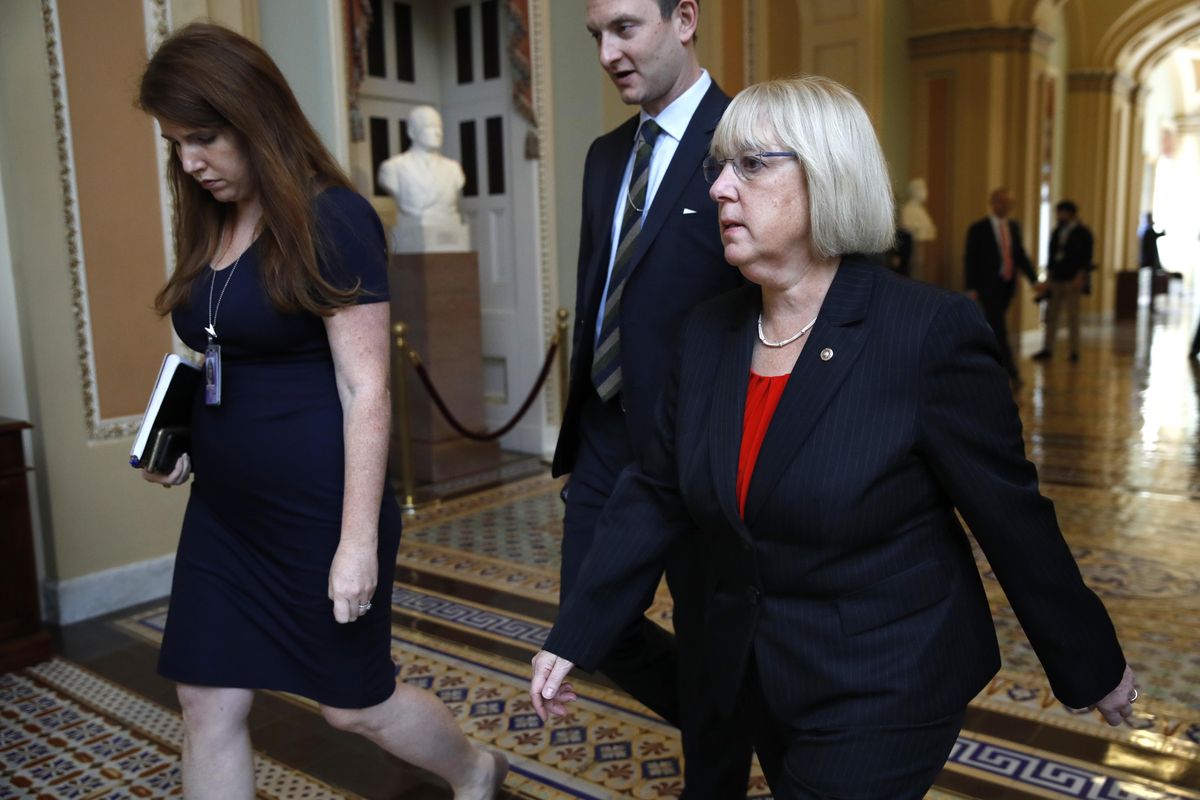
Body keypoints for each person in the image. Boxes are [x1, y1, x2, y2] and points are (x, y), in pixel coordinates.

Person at [530, 76, 1138, 799]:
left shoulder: (924, 334)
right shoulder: (707, 333)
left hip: (887, 678)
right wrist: (579, 630)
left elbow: (1010, 515)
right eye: (718, 167)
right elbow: (656, 490)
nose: (721, 188)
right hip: (761, 671)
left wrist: (1091, 662)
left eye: (752, 165)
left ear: (827, 176)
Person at [136, 24, 505, 799]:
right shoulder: (211, 216)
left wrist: (356, 544)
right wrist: (185, 439)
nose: (189, 161)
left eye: (203, 138)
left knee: (353, 706)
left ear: (255, 117)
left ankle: (473, 770)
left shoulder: (331, 217)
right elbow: (218, 351)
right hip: (224, 515)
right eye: (175, 143)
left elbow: (365, 388)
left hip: (319, 512)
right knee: (205, 698)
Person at [552, 0, 751, 794]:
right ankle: (733, 722)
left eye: (626, 28)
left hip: (703, 451)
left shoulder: (746, 139)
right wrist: (577, 437)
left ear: (686, 18)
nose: (607, 52)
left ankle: (721, 759)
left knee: (711, 641)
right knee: (589, 627)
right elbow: (602, 289)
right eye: (596, 35)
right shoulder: (607, 157)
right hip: (607, 435)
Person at [965, 187, 1040, 386]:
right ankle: (1012, 373)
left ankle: (983, 367)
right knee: (999, 329)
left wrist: (1034, 281)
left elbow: (1020, 257)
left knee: (993, 329)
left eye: (1008, 203)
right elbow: (970, 259)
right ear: (992, 203)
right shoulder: (979, 228)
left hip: (1006, 287)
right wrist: (971, 287)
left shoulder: (1014, 227)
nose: (1005, 206)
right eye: (1001, 202)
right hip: (986, 287)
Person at [376, 105, 466, 226]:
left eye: (438, 127)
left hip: (449, 225)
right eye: (429, 127)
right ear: (412, 132)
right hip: (413, 228)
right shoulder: (393, 167)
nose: (437, 132)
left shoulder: (453, 169)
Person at [1032, 200, 1093, 362]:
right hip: (1056, 279)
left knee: (1073, 317)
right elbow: (1051, 257)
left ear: (1071, 213)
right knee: (1051, 315)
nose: (1059, 216)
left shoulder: (1083, 233)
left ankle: (1074, 351)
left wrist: (1080, 276)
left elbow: (1086, 258)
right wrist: (1048, 279)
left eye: (1062, 212)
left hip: (1072, 280)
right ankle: (1047, 348)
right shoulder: (1057, 231)